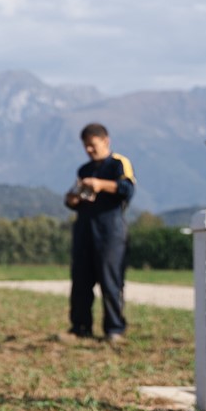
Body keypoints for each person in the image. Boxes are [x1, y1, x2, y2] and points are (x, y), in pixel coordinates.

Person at [63, 123, 135, 345]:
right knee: (81, 281)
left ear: (106, 141)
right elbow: (74, 200)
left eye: (93, 146)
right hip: (85, 228)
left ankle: (114, 329)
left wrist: (100, 184)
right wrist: (73, 198)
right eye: (86, 147)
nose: (89, 151)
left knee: (110, 282)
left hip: (110, 230)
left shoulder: (119, 164)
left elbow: (127, 190)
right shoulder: (84, 170)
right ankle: (80, 328)